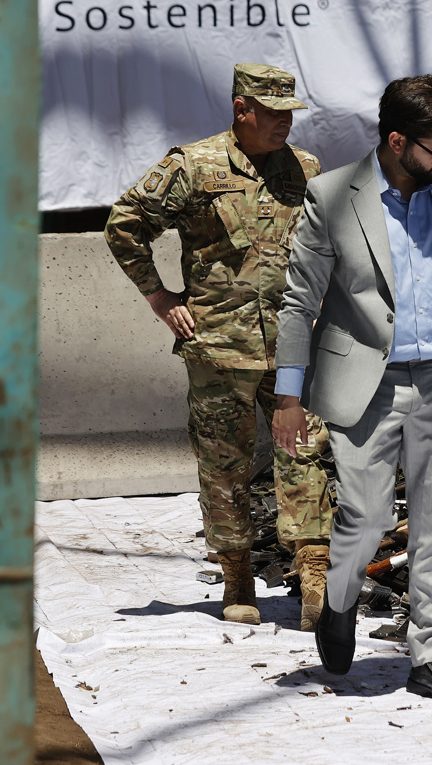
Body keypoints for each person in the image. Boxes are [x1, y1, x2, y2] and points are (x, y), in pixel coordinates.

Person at [271, 75, 432, 705]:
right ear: (396, 140)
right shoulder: (332, 195)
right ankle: (338, 600)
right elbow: (297, 300)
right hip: (367, 383)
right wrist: (287, 395)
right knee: (367, 517)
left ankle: (430, 652)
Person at [104, 63, 333, 632]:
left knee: (305, 454)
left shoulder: (304, 169)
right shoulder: (193, 166)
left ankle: (315, 575)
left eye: (289, 113)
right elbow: (124, 224)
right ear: (241, 109)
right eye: (273, 113)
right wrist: (159, 297)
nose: (284, 124)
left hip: (291, 349)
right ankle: (237, 576)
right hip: (219, 350)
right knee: (225, 465)